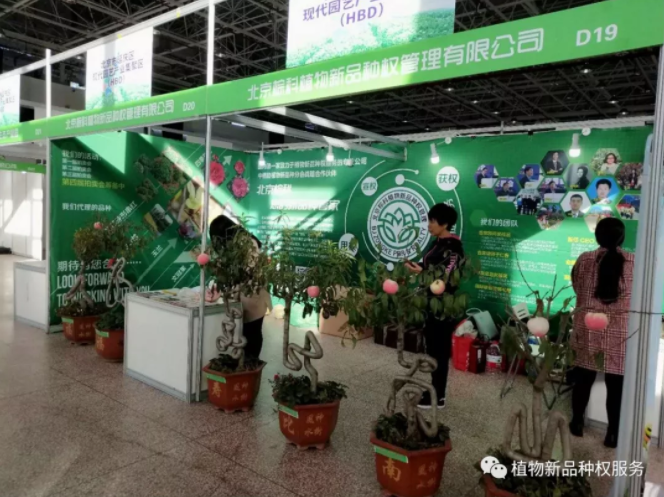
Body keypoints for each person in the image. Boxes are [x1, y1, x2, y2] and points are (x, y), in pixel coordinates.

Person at [569, 217, 633, 448]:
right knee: (616, 386)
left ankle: (577, 423)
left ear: (597, 236)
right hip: (619, 333)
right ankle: (612, 434)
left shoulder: (585, 259)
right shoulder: (633, 261)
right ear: (622, 237)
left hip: (587, 328)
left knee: (582, 379)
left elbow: (576, 286)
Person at [405, 203, 464, 410]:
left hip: (442, 306)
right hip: (430, 303)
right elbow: (431, 268)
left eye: (432, 221)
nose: (428, 225)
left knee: (439, 351)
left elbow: (447, 280)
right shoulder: (436, 243)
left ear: (445, 224)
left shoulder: (453, 248)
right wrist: (419, 267)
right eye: (428, 220)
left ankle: (438, 397)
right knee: (432, 348)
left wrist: (422, 273)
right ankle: (434, 391)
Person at [209, 215, 272, 359]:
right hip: (244, 293)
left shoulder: (246, 242)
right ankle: (245, 361)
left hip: (253, 294)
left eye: (217, 238)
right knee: (245, 331)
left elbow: (249, 270)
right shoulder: (235, 243)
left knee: (252, 331)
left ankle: (251, 362)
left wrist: (226, 271)